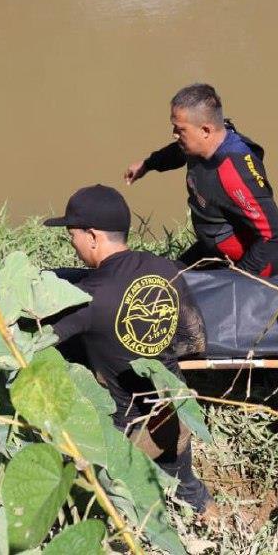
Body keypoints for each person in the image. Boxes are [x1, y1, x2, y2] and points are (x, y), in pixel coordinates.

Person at [44, 184, 214, 514]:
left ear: (92, 236)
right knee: (186, 484)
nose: (72, 242)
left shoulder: (88, 297)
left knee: (104, 507)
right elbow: (196, 340)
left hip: (130, 436)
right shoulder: (167, 269)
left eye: (73, 235)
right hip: (176, 415)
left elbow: (37, 342)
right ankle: (200, 504)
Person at [123, 83, 278, 277]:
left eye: (180, 130)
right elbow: (177, 152)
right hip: (213, 251)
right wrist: (148, 164)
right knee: (162, 278)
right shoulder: (198, 145)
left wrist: (239, 281)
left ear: (205, 130)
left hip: (249, 264)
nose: (175, 135)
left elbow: (275, 233)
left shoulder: (234, 173)